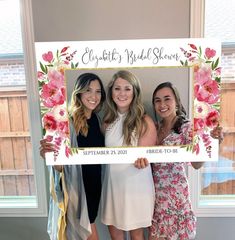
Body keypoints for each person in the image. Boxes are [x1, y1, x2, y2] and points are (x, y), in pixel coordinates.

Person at [135, 81, 223, 240]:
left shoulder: (187, 128)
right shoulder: (155, 127)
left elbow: (197, 164)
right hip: (156, 199)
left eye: (167, 99)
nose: (162, 104)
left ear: (176, 101)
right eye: (157, 100)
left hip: (177, 199)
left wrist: (211, 142)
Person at [39, 73, 106, 240]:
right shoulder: (66, 123)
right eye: (88, 90)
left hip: (93, 189)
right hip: (76, 190)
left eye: (98, 91)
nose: (94, 96)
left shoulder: (97, 121)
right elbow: (60, 167)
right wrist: (50, 156)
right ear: (79, 93)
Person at [100, 70, 158, 240]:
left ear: (135, 92)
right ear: (111, 92)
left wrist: (143, 161)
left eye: (127, 88)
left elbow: (146, 159)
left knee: (136, 234)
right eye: (117, 88)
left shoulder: (144, 121)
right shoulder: (107, 121)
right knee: (115, 232)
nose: (122, 93)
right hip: (112, 184)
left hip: (136, 185)